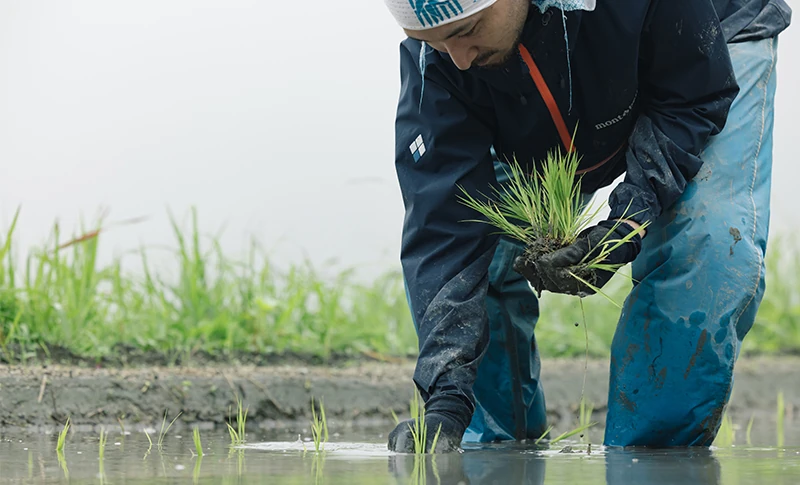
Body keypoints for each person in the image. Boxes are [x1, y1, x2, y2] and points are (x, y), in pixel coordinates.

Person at [381, 0, 792, 452]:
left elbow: (691, 98)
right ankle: (492, 451)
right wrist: (445, 400)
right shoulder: (446, 56)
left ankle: (653, 460)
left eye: (469, 29)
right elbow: (444, 222)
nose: (457, 57)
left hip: (707, 40)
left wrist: (628, 223)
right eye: (431, 42)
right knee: (485, 262)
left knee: (706, 243)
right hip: (536, 80)